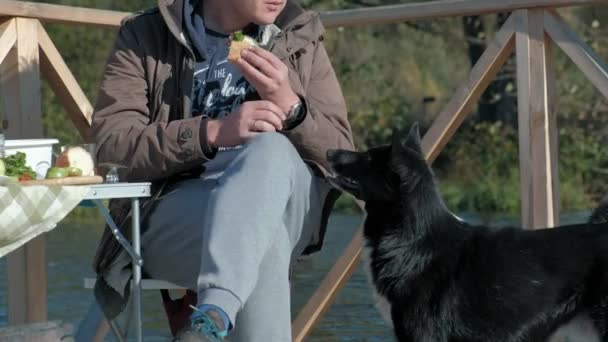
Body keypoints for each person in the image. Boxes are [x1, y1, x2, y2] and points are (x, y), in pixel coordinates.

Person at [90, 0, 354, 340]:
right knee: (263, 239)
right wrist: (211, 133)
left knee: (269, 147)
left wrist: (291, 107)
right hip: (178, 215)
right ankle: (214, 314)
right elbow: (112, 147)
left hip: (288, 202)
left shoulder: (299, 36)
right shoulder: (147, 34)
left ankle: (213, 314)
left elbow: (343, 156)